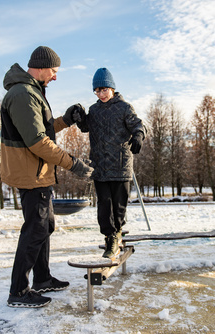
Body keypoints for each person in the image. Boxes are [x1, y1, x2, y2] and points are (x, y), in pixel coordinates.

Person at [0, 46, 93, 308]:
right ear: (41, 67)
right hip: (31, 173)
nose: (55, 76)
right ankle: (18, 291)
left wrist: (66, 119)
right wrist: (73, 164)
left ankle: (42, 278)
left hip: (37, 172)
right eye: (54, 71)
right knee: (36, 228)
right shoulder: (22, 94)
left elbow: (45, 129)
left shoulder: (31, 92)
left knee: (44, 226)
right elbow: (38, 141)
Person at [77, 68, 146, 259]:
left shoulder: (124, 107)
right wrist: (79, 116)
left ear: (112, 88)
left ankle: (117, 233)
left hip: (121, 167)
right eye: (97, 91)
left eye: (104, 89)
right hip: (100, 166)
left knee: (118, 207)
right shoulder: (94, 110)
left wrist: (139, 135)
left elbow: (138, 125)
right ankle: (110, 237)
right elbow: (85, 127)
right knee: (104, 206)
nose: (101, 94)